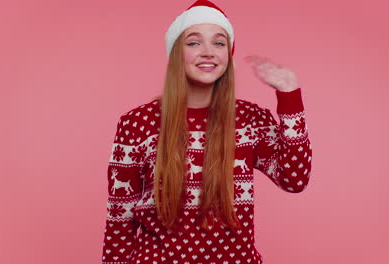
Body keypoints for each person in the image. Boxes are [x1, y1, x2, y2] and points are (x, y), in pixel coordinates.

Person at [101, 0, 313, 263]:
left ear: (228, 54)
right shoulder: (137, 124)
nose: (208, 52)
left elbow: (294, 179)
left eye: (219, 42)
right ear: (177, 52)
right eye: (194, 42)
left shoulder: (250, 120)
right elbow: (119, 220)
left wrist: (290, 94)